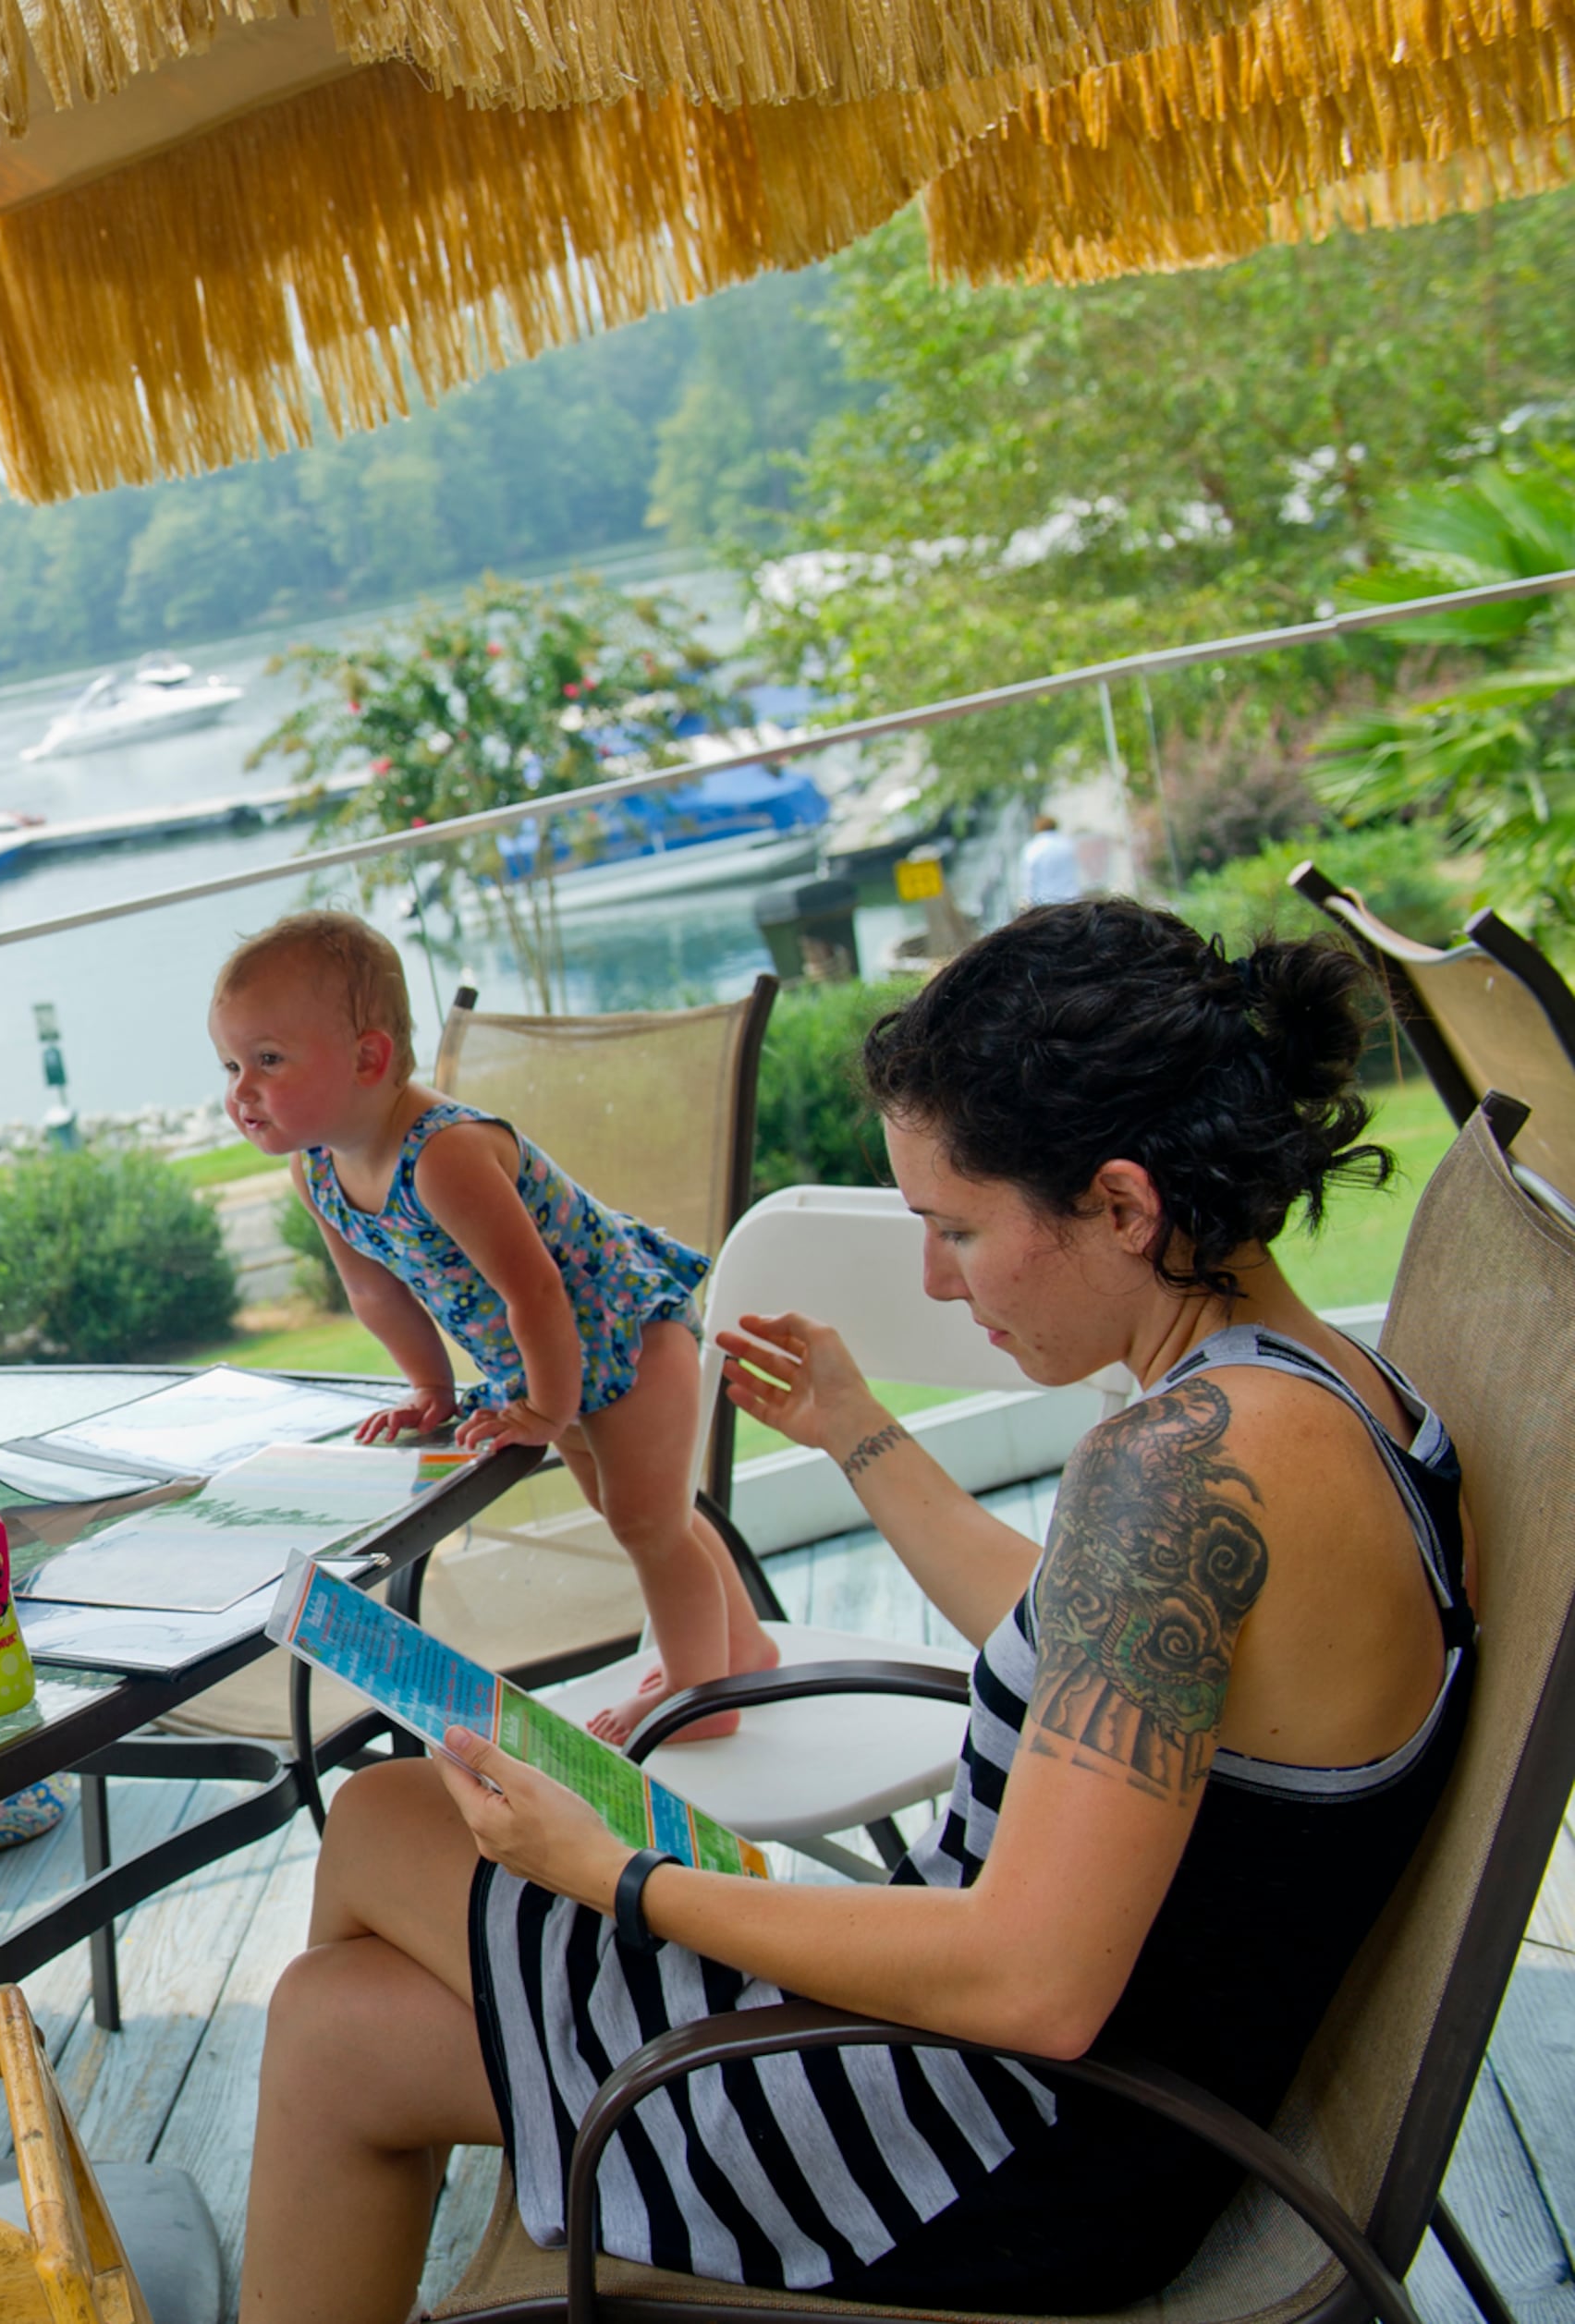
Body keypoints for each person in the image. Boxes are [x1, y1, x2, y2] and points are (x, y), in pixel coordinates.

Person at [238, 899, 1470, 2324]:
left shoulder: (1181, 1477)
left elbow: (1034, 1978)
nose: (939, 1275)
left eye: (956, 1226)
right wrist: (859, 1432)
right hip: (1032, 2075)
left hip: (989, 2148)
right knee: (355, 1959)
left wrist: (616, 1872)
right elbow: (1103, 1657)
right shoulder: (1326, 1403)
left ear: (1124, 1204)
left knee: (369, 1910)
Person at [208, 910, 775, 1742]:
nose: (241, 1090)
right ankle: (745, 1648)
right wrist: (429, 1388)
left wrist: (547, 1409)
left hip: (629, 1335)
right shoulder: (318, 1167)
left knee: (648, 1522)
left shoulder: (444, 1154)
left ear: (369, 1057)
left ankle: (700, 1694)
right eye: (230, 1063)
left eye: (268, 1060)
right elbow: (377, 1294)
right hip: (548, 1368)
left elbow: (536, 1290)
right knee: (652, 1517)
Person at [1020, 810, 1084, 906]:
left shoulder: (1033, 848)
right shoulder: (1067, 844)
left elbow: (1029, 878)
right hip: (1070, 899)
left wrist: (1027, 899)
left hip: (1044, 902)